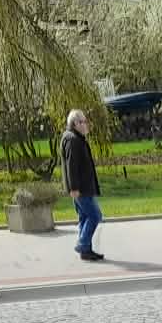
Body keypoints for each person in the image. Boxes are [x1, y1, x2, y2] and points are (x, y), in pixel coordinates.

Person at [61, 108, 102, 262]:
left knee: (84, 218)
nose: (86, 124)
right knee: (95, 215)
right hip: (81, 189)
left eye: (85, 121)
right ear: (75, 124)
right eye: (82, 121)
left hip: (83, 187)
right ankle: (82, 244)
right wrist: (74, 188)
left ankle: (86, 251)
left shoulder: (76, 138)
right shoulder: (73, 140)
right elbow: (71, 166)